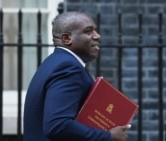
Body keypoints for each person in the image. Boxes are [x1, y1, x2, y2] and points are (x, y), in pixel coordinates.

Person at [23, 11, 131, 141]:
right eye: (88, 31)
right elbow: (58, 125)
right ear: (66, 39)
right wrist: (108, 136)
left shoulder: (54, 62)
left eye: (95, 31)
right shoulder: (69, 68)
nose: (97, 36)